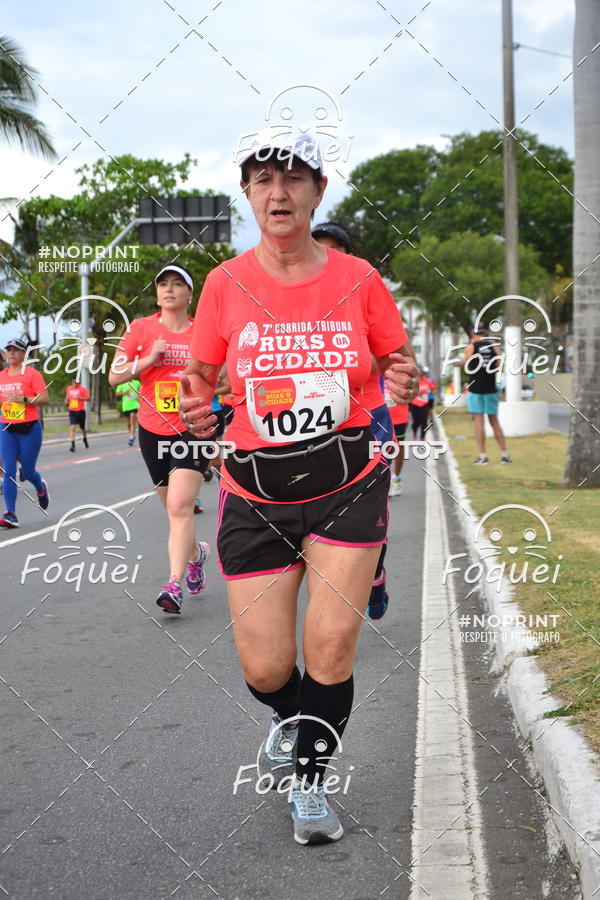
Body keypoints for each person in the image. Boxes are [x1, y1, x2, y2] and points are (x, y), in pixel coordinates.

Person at [179, 131, 418, 844]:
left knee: (334, 648)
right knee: (265, 666)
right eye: (262, 179)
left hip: (346, 481)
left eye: (292, 179)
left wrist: (400, 377)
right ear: (248, 193)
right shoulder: (224, 283)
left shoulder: (358, 279)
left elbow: (393, 357)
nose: (277, 192)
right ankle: (289, 717)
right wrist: (199, 404)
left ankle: (311, 784)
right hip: (255, 490)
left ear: (317, 191)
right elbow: (201, 376)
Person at [109, 264, 211, 613]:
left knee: (181, 505)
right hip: (152, 429)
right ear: (157, 294)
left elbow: (223, 377)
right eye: (163, 284)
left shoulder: (205, 332)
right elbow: (114, 376)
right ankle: (196, 553)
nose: (169, 289)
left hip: (192, 429)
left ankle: (173, 585)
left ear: (189, 295)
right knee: (172, 508)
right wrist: (149, 358)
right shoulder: (140, 328)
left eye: (177, 284)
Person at [311, 221, 394, 620]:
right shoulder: (293, 301)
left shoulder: (365, 290)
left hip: (370, 416)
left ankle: (375, 572)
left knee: (369, 510)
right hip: (315, 422)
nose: (328, 258)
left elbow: (392, 357)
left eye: (336, 250)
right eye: (319, 249)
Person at [0, 339, 50, 527]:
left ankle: (40, 487)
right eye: (8, 350)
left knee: (28, 471)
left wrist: (23, 399)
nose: (11, 353)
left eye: (16, 350)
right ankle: (10, 513)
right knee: (8, 471)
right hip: (7, 429)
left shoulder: (32, 374)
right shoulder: (1, 376)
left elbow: (45, 398)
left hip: (29, 429)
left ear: (23, 354)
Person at [463, 323, 511, 465]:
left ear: (472, 333)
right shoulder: (493, 346)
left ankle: (483, 456)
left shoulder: (470, 347)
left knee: (479, 422)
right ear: (486, 332)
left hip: (475, 389)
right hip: (490, 389)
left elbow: (467, 366)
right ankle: (504, 455)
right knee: (494, 422)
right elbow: (501, 367)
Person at [409, 366, 435, 440]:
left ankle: (422, 437)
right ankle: (414, 431)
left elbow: (433, 388)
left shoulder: (427, 381)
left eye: (422, 374)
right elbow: (409, 391)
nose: (421, 375)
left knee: (424, 422)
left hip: (424, 404)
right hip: (415, 404)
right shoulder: (413, 382)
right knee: (416, 422)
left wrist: (430, 391)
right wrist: (417, 393)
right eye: (419, 374)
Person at [65, 377, 90, 452]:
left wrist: (81, 398)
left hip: (81, 411)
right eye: (74, 382)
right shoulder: (69, 388)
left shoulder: (83, 389)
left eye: (76, 382)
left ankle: (85, 438)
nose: (75, 383)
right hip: (72, 411)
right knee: (73, 427)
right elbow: (67, 397)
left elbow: (88, 398)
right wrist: (66, 401)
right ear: (72, 381)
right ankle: (73, 445)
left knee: (82, 428)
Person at [114, 378, 141, 446]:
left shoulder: (137, 382)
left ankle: (131, 437)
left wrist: (139, 397)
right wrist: (124, 393)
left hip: (135, 404)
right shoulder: (122, 383)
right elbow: (117, 393)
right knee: (128, 423)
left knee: (132, 421)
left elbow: (142, 391)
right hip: (126, 406)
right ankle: (131, 435)